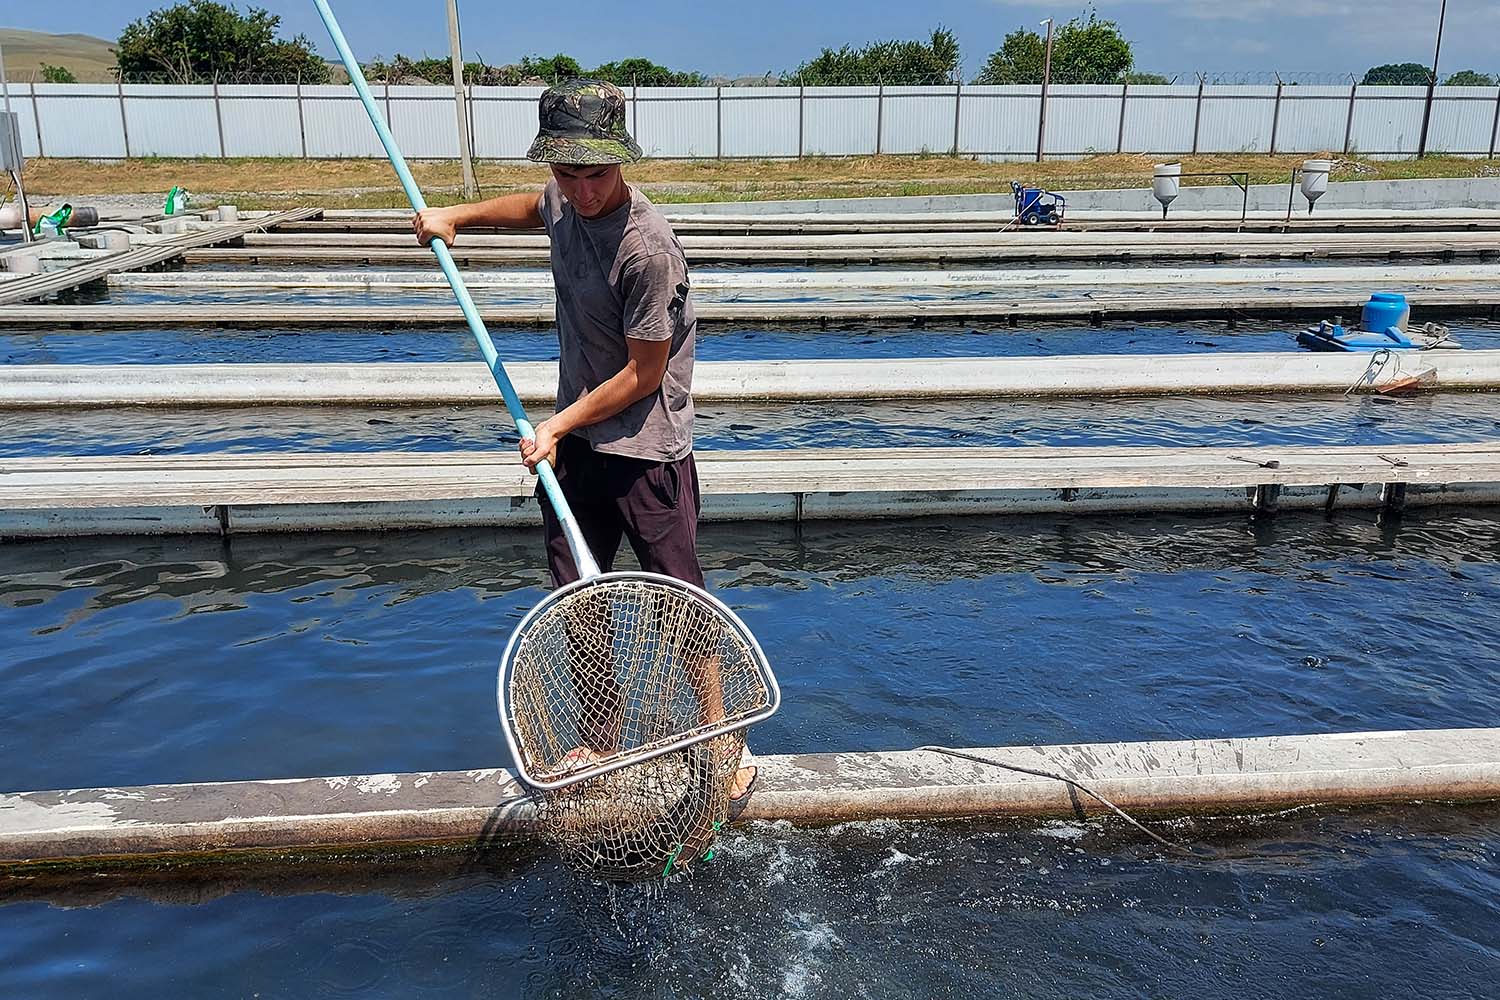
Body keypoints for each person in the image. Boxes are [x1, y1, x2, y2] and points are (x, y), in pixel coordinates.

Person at [412, 79, 756, 810]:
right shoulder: (564, 196)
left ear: (621, 162)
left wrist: (559, 424)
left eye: (595, 173)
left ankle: (723, 741)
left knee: (678, 602)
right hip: (575, 446)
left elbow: (643, 373)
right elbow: (533, 208)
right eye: (569, 172)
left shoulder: (647, 250)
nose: (582, 189)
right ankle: (602, 737)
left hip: (645, 449)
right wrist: (457, 218)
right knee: (579, 595)